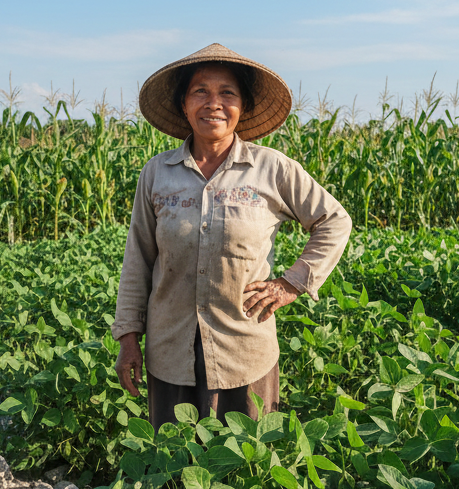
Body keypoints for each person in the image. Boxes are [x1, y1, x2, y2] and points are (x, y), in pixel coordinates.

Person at [112, 43, 352, 429]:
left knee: (245, 464)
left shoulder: (271, 168)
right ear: (184, 104)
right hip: (170, 351)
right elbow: (138, 257)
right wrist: (127, 338)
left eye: (228, 93)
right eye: (200, 92)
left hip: (245, 351)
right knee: (176, 468)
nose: (214, 104)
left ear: (243, 106)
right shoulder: (157, 173)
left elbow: (334, 220)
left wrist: (292, 284)